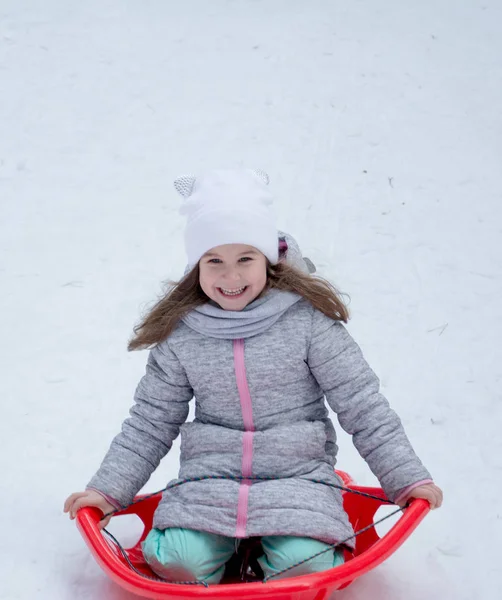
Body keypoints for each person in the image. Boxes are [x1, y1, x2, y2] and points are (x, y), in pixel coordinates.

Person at [64, 168, 443, 584]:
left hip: (296, 478)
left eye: (245, 259)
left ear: (268, 259)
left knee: (307, 567)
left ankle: (269, 550)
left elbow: (363, 405)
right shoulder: (183, 334)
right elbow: (149, 422)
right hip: (212, 477)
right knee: (177, 563)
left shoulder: (307, 323)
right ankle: (227, 550)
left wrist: (407, 479)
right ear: (197, 267)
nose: (231, 277)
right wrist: (106, 491)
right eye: (215, 262)